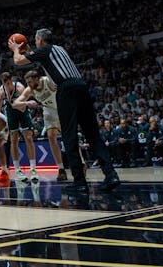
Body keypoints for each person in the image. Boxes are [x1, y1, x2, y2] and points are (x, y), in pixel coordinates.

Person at [9, 30, 120, 192]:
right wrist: (27, 49)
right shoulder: (59, 49)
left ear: (40, 40)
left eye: (36, 39)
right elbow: (36, 55)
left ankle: (79, 181)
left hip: (66, 90)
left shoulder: (45, 50)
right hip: (81, 87)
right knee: (93, 135)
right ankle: (111, 174)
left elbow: (18, 61)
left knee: (69, 136)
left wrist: (15, 49)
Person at [12, 69, 67, 181]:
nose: (28, 85)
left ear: (38, 79)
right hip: (48, 111)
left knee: (69, 138)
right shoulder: (30, 90)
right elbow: (15, 103)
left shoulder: (48, 81)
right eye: (26, 82)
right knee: (51, 137)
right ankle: (61, 169)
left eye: (30, 82)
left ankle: (80, 162)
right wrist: (27, 103)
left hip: (62, 108)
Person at [0, 72, 37, 182]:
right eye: (4, 84)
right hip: (10, 112)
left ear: (11, 81)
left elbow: (23, 108)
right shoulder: (1, 92)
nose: (6, 86)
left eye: (8, 83)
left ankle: (33, 169)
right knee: (14, 139)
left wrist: (13, 102)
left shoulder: (20, 88)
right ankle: (17, 170)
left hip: (22, 109)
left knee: (28, 137)